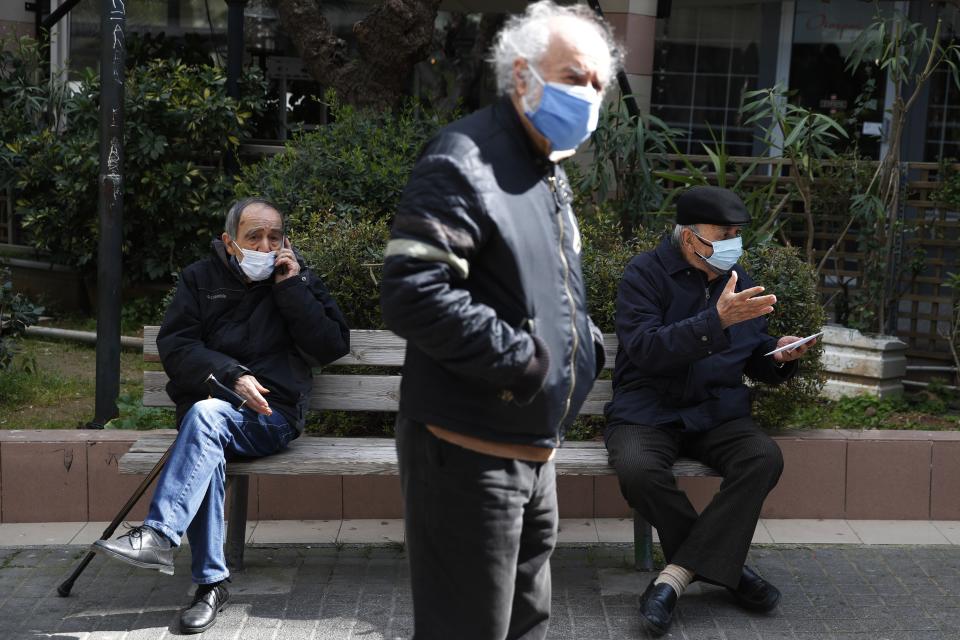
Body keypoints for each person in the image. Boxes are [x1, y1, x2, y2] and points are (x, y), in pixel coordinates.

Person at [379, 2, 620, 638]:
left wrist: (580, 350)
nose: (588, 95)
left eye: (598, 83)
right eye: (573, 76)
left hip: (533, 457)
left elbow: (549, 294)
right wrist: (529, 363)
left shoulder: (547, 173)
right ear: (521, 77)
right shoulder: (466, 157)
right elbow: (411, 290)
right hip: (467, 457)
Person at [92, 198, 350, 634]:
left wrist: (291, 288)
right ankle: (210, 585)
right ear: (230, 242)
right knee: (206, 429)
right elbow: (177, 348)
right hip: (208, 411)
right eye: (254, 237)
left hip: (272, 416)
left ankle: (160, 539)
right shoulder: (199, 279)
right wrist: (232, 376)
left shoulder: (300, 280)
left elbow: (330, 346)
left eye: (274, 236)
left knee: (204, 420)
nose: (265, 245)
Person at [604, 186, 816, 636]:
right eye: (725, 233)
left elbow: (749, 351)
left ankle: (673, 578)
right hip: (648, 410)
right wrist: (713, 321)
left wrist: (777, 355)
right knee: (638, 470)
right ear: (690, 238)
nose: (733, 243)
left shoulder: (734, 276)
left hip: (715, 411)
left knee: (762, 457)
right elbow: (644, 349)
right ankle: (730, 572)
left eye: (737, 233)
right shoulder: (643, 274)